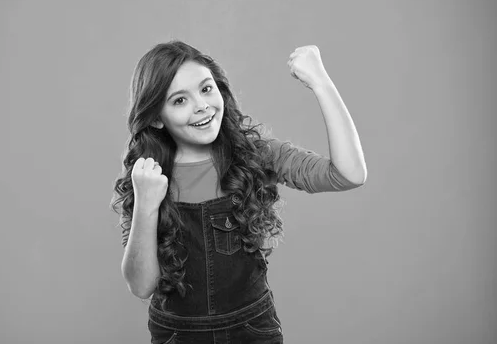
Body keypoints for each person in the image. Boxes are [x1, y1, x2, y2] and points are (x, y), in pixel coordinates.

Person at [110, 40, 367, 343]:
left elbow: (349, 175)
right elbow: (141, 285)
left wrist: (321, 83)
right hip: (177, 335)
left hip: (253, 330)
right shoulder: (145, 177)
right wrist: (146, 206)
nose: (202, 105)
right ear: (155, 118)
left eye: (206, 89)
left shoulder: (256, 154)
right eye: (180, 100)